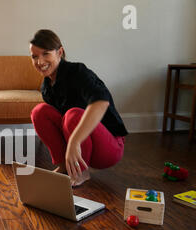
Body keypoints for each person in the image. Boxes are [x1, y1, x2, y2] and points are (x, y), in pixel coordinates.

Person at [29, 29, 128, 186]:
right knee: (39, 112)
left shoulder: (78, 72)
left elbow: (101, 102)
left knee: (73, 114)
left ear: (59, 52)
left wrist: (74, 141)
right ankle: (64, 166)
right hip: (80, 147)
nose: (40, 62)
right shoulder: (46, 87)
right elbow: (59, 126)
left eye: (46, 54)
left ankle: (80, 171)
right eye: (35, 56)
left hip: (109, 147)